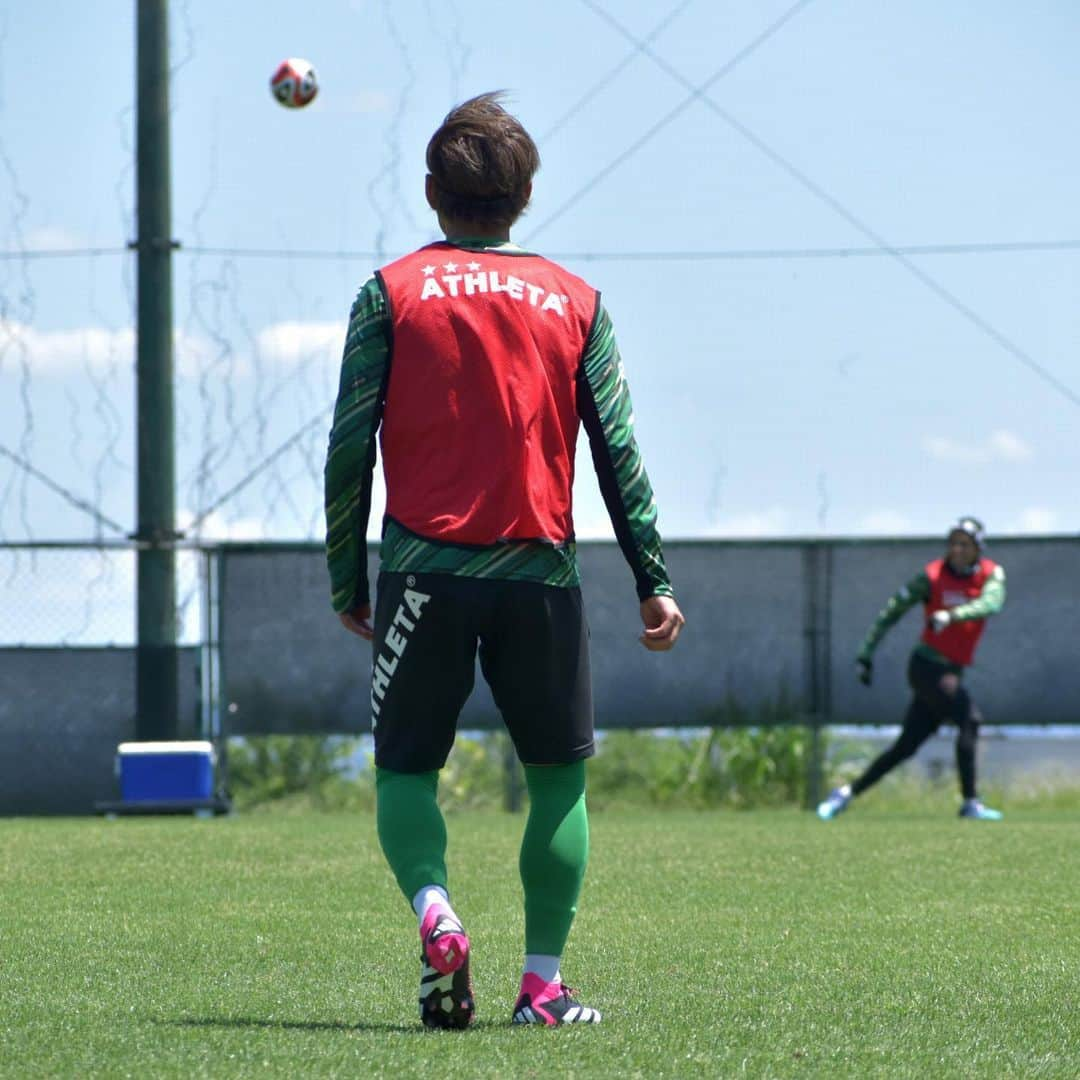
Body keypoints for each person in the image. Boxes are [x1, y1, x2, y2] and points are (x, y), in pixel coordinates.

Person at [324, 92, 685, 1029]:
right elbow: (619, 450)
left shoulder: (389, 292)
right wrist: (654, 580)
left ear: (432, 190)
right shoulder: (576, 301)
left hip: (423, 573)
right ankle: (543, 987)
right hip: (540, 576)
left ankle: (437, 914)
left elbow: (346, 445)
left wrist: (344, 577)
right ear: (524, 196)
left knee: (406, 772)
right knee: (558, 779)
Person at [817, 517, 1006, 822]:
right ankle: (971, 802)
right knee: (969, 720)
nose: (957, 549)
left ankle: (845, 794)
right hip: (927, 667)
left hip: (952, 672)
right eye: (953, 542)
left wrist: (952, 615)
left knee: (905, 746)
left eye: (965, 544)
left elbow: (991, 604)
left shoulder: (991, 574)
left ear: (978, 548)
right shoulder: (931, 577)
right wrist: (866, 652)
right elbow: (892, 611)